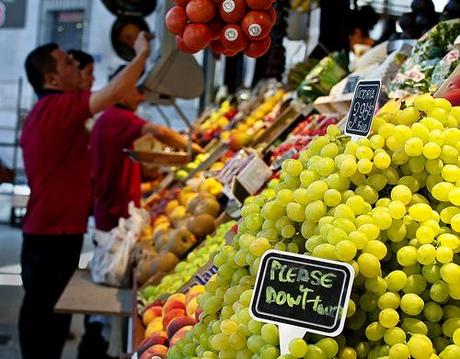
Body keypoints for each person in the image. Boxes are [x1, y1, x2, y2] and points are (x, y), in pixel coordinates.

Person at [19, 32, 151, 359]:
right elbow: (116, 91)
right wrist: (141, 53)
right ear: (51, 78)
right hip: (51, 233)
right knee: (44, 318)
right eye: (67, 63)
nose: (76, 65)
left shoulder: (52, 110)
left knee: (50, 315)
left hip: (54, 230)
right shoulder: (56, 108)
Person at [89, 65, 203, 233]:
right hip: (116, 213)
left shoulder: (109, 116)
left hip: (113, 208)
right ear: (121, 90)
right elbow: (158, 131)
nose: (142, 97)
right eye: (137, 90)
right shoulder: (118, 117)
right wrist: (193, 149)